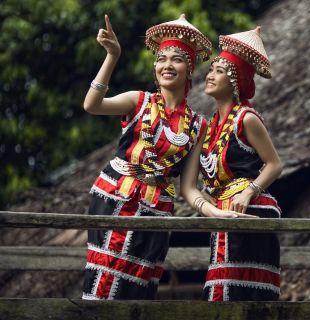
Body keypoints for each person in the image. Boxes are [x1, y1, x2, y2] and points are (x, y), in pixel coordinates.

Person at [82, 14, 212, 300]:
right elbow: (92, 105)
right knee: (104, 280)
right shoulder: (137, 101)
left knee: (139, 287)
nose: (167, 65)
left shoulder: (198, 125)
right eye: (161, 58)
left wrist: (215, 211)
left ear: (189, 69)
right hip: (116, 198)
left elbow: (188, 188)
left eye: (177, 59)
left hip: (157, 209)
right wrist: (112, 56)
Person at [181, 26, 283, 301]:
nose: (210, 75)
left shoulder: (247, 119)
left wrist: (249, 190)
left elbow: (274, 164)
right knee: (221, 291)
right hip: (221, 211)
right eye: (211, 69)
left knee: (241, 294)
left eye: (219, 71)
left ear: (236, 80)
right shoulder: (209, 126)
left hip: (251, 210)